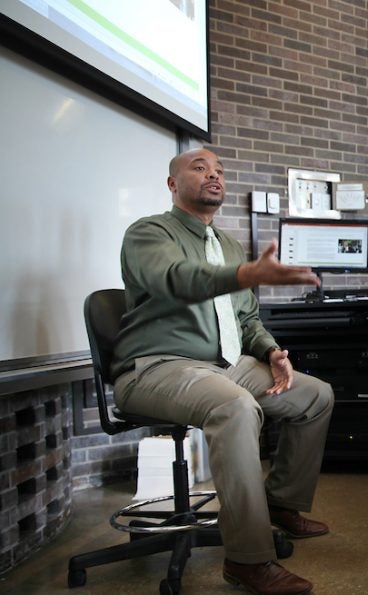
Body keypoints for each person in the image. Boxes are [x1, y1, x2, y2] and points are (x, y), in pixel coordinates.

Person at [111, 148, 333, 595]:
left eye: (219, 171)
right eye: (199, 169)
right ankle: (248, 561)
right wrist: (245, 272)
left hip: (225, 365)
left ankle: (280, 503)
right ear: (172, 184)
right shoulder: (149, 233)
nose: (213, 176)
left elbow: (246, 320)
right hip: (157, 366)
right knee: (235, 407)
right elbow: (178, 278)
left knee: (315, 395)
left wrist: (271, 353)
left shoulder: (228, 245)